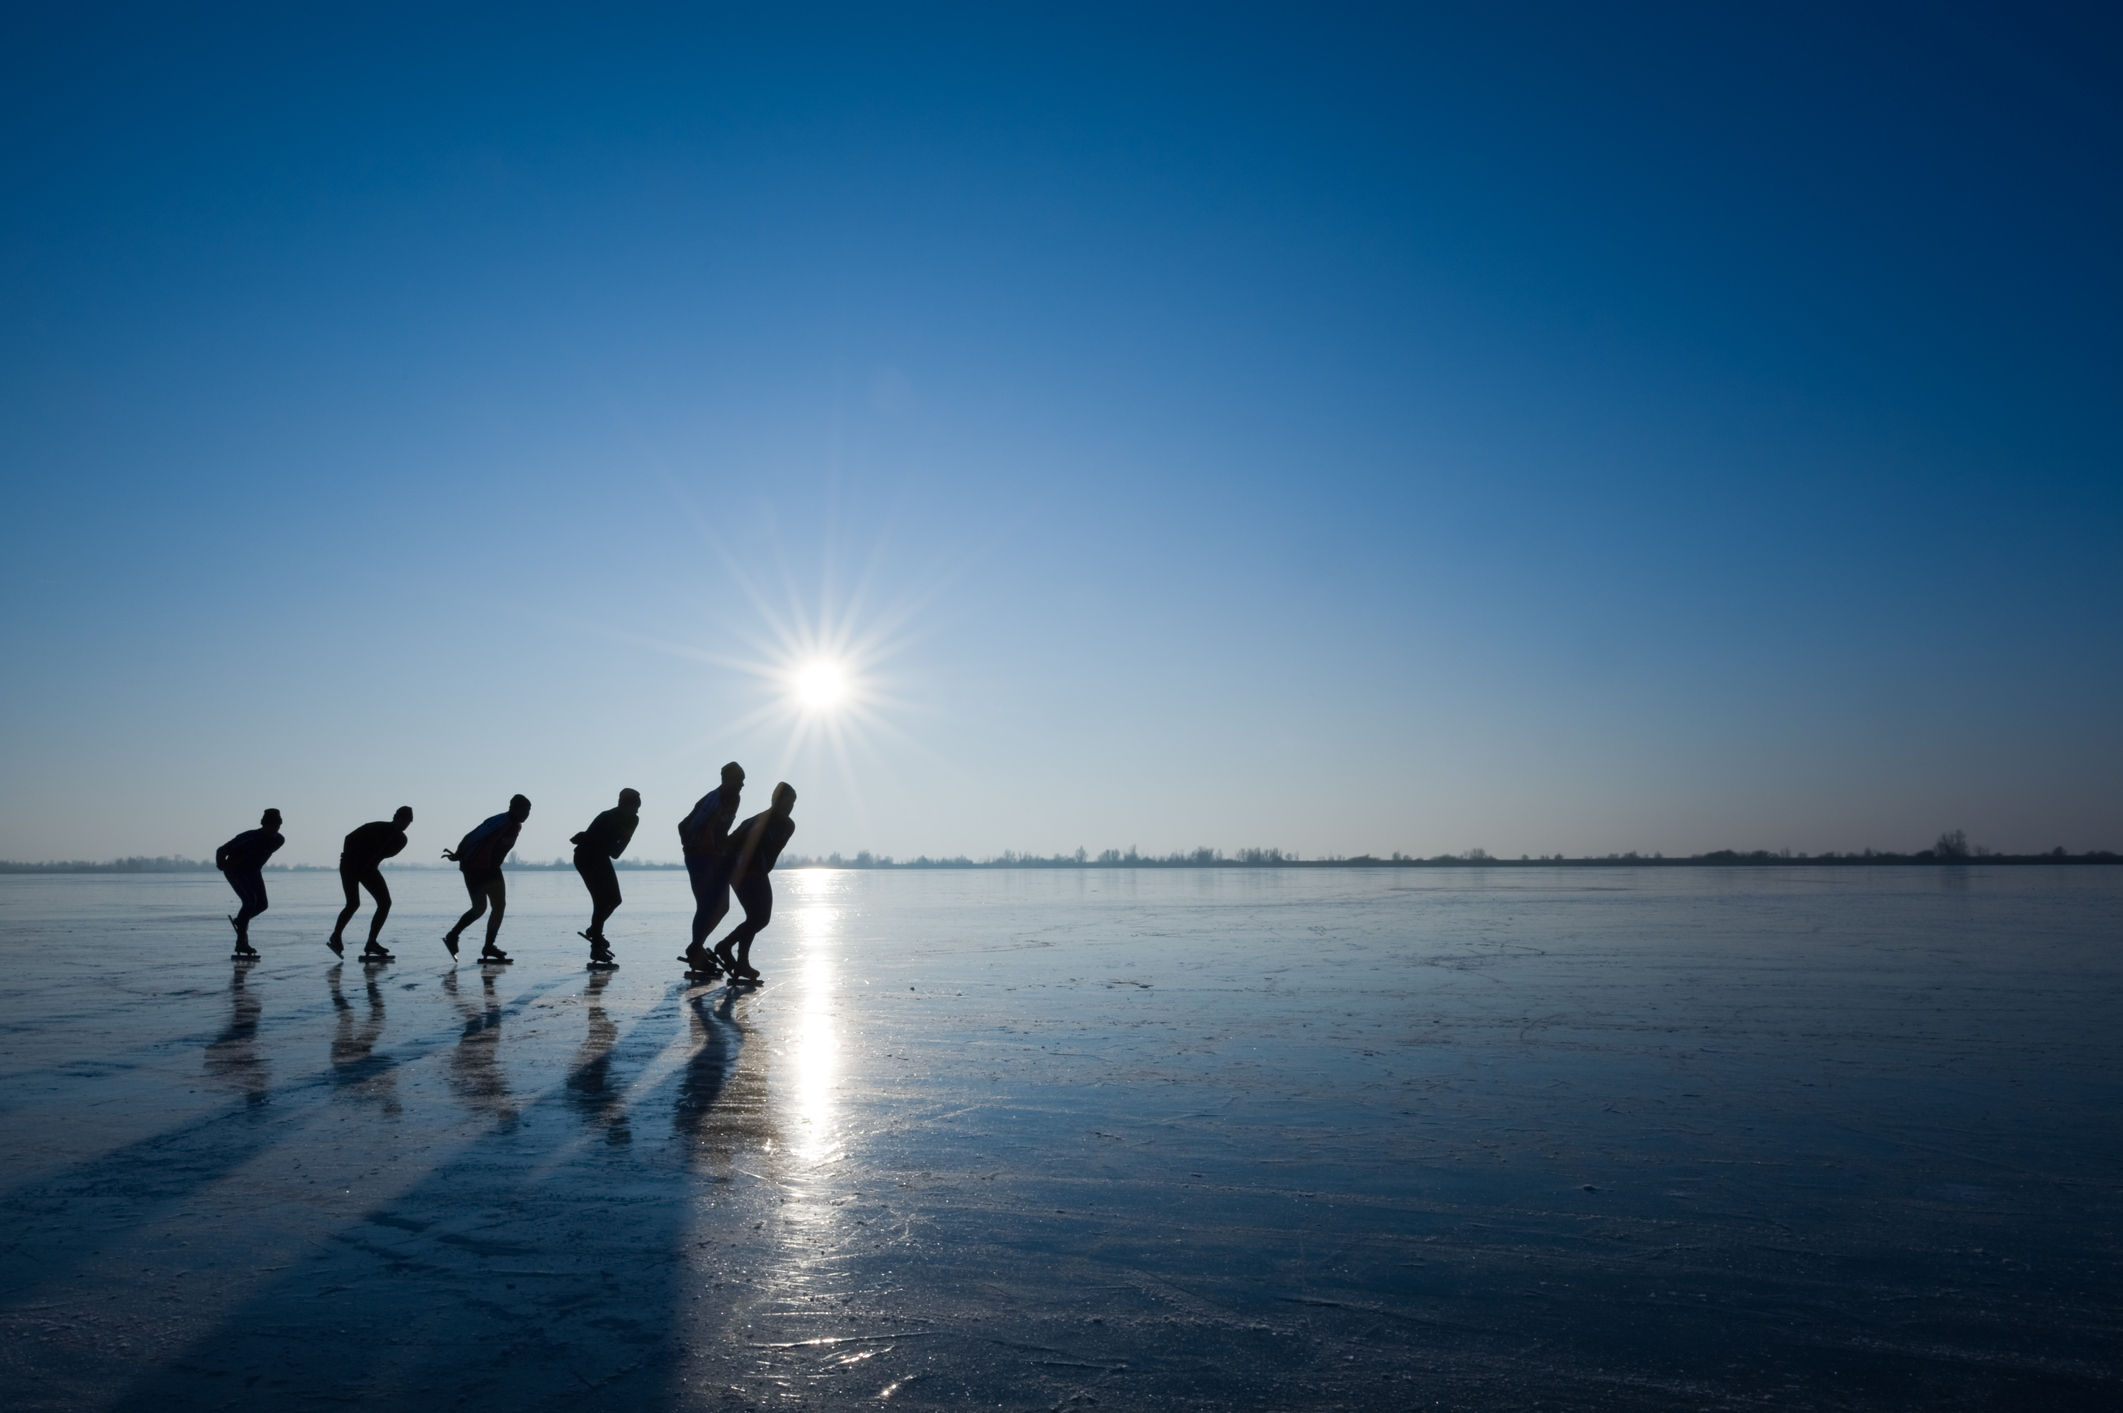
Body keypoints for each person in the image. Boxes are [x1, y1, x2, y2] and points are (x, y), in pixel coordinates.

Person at [715, 783, 797, 982]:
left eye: (793, 802)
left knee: (758, 918)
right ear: (775, 799)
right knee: (758, 918)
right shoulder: (764, 821)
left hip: (755, 871)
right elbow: (730, 842)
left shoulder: (784, 824)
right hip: (744, 871)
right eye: (787, 801)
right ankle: (730, 951)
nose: (790, 806)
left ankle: (734, 954)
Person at [442, 794, 530, 963]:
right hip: (474, 867)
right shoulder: (501, 821)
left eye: (529, 811)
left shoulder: (516, 826)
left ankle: (488, 946)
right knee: (479, 908)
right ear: (515, 809)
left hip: (492, 869)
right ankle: (453, 936)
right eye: (525, 810)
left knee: (499, 906)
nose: (527, 814)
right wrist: (459, 854)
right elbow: (473, 835)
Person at [676, 763, 744, 976]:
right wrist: (692, 848)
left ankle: (696, 947)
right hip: (699, 858)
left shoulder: (735, 799)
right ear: (725, 779)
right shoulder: (713, 799)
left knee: (722, 906)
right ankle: (696, 951)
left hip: (717, 858)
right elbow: (683, 826)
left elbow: (722, 830)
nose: (741, 784)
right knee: (706, 904)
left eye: (742, 780)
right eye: (737, 780)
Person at [330, 806, 413, 960]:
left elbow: (385, 854)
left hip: (369, 869)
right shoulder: (376, 827)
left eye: (408, 823)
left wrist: (368, 862)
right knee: (353, 903)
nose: (405, 825)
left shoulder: (401, 839)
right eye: (403, 821)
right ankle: (336, 936)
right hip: (350, 866)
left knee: (385, 903)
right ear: (395, 818)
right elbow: (348, 838)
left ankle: (371, 942)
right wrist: (353, 857)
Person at [572, 788, 640, 967]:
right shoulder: (607, 816)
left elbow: (615, 853)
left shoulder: (633, 819)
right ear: (623, 805)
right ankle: (596, 944)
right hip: (586, 857)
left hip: (600, 856)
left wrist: (602, 840)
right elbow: (613, 850)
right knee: (601, 901)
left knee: (615, 899)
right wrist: (613, 841)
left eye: (638, 808)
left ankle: (595, 929)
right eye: (634, 807)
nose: (636, 812)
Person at [215, 808, 284, 958]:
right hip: (235, 871)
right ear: (263, 825)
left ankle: (241, 921)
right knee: (250, 901)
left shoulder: (279, 840)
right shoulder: (249, 837)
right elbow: (222, 850)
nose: (274, 830)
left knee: (262, 904)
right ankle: (241, 942)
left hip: (253, 871)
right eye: (271, 826)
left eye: (277, 827)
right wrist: (222, 866)